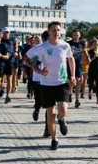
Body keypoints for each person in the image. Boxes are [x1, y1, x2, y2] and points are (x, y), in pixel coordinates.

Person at [25, 21, 76, 151]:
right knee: (50, 113)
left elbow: (71, 59)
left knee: (63, 109)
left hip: (62, 82)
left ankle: (62, 119)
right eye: (54, 30)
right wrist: (40, 71)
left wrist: (73, 75)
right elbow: (30, 61)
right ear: (48, 31)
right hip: (46, 84)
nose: (56, 32)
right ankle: (54, 139)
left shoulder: (65, 46)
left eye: (58, 30)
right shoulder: (41, 48)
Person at [66, 29, 86, 108]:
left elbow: (84, 50)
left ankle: (77, 99)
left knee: (79, 80)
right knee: (72, 80)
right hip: (70, 64)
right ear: (72, 36)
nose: (76, 37)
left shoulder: (82, 43)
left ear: (79, 35)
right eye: (74, 35)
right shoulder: (68, 44)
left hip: (79, 64)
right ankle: (70, 92)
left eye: (77, 35)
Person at [0, 28, 16, 104]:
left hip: (10, 61)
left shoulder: (12, 40)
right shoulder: (0, 40)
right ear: (2, 33)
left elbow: (16, 46)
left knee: (9, 79)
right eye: (4, 32)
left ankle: (7, 96)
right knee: (1, 79)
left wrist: (16, 52)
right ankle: (2, 88)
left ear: (9, 33)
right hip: (1, 61)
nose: (6, 34)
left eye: (7, 32)